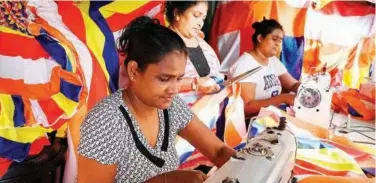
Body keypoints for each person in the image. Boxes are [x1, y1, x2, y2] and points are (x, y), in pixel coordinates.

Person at [77, 16, 235, 183]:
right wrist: (166, 180)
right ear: (134, 71)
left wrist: (249, 162)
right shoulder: (106, 121)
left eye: (179, 78)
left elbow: (218, 151)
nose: (174, 89)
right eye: (164, 79)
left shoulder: (170, 107)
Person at [228, 18, 300, 118]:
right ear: (260, 38)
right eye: (274, 39)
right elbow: (247, 108)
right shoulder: (245, 65)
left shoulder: (273, 61)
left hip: (272, 117)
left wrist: (308, 89)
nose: (278, 44)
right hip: (251, 123)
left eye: (280, 40)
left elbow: (293, 85)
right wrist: (283, 98)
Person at [165, 1, 223, 94]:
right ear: (177, 13)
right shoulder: (162, 44)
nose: (201, 23)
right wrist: (194, 83)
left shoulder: (201, 41)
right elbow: (160, 82)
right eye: (196, 15)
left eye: (203, 18)